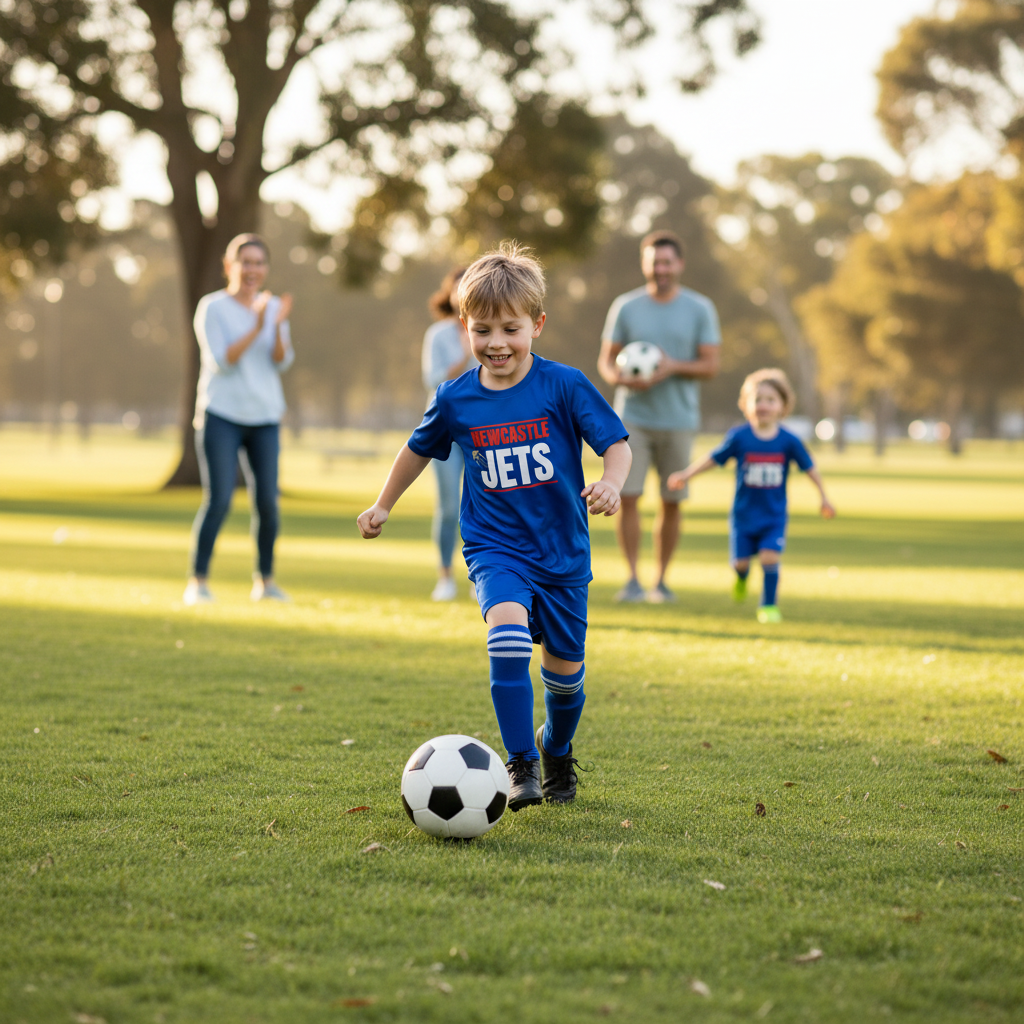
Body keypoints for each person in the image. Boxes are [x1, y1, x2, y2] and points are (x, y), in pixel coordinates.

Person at [357, 242, 631, 810]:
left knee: (566, 683)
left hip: (562, 553)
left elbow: (616, 444)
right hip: (494, 547)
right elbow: (416, 450)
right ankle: (521, 764)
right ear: (464, 328)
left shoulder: (565, 385)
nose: (497, 343)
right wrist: (384, 504)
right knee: (504, 634)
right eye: (482, 330)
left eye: (510, 328)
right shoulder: (455, 398)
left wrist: (611, 481)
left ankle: (554, 749)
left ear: (537, 324)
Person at [597, 229, 721, 604]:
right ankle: (632, 579)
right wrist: (622, 378)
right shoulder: (626, 306)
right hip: (631, 418)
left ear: (679, 264)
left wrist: (670, 368)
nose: (661, 269)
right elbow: (606, 362)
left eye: (667, 262)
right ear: (644, 265)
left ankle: (661, 581)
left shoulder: (700, 308)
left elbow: (711, 364)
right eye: (654, 263)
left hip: (679, 420)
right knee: (628, 497)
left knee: (671, 501)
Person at [668, 368, 835, 623]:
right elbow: (713, 459)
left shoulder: (789, 441)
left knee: (770, 557)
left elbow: (810, 468)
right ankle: (741, 577)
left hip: (773, 516)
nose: (763, 405)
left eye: (770, 400)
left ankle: (768, 606)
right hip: (743, 516)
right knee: (741, 563)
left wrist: (823, 497)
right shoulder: (739, 437)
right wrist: (686, 475)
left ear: (782, 406)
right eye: (757, 399)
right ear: (746, 405)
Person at [183, 233, 294, 606]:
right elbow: (222, 361)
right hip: (222, 415)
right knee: (219, 500)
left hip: (264, 415)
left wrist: (275, 324)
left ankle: (265, 582)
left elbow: (281, 360)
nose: (253, 270)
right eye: (245, 262)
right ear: (230, 266)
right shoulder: (212, 307)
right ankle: (197, 582)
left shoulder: (273, 306)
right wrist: (257, 323)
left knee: (267, 502)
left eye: (259, 263)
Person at [421, 267, 473, 601]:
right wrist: (466, 353)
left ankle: (478, 575)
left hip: (483, 430)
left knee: (483, 505)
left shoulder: (490, 330)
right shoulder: (438, 334)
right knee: (449, 506)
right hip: (444, 429)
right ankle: (445, 576)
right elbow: (434, 380)